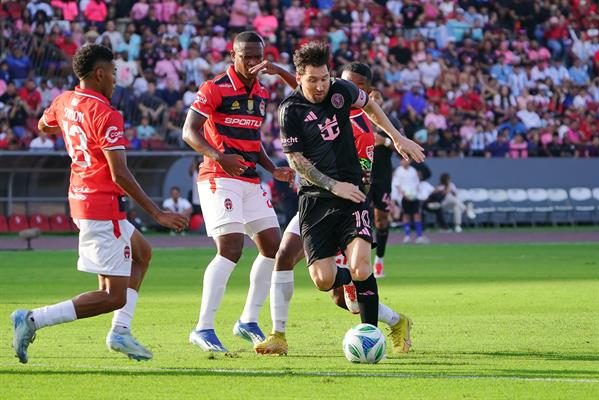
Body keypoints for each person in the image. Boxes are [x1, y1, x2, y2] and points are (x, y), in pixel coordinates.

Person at [10, 45, 188, 364]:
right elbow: (119, 173)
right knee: (112, 295)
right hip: (102, 207)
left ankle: (120, 331)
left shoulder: (64, 101)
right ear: (100, 74)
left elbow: (42, 125)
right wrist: (157, 212)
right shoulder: (106, 113)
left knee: (143, 254)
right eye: (114, 73)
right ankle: (33, 319)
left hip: (82, 199)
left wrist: (69, 126)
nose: (116, 80)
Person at [259, 42, 424, 353]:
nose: (321, 86)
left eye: (324, 78)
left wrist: (396, 137)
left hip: (352, 195)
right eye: (313, 80)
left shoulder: (341, 91)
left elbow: (371, 106)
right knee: (323, 280)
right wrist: (332, 185)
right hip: (316, 199)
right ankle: (387, 312)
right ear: (299, 77)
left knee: (362, 267)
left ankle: (370, 338)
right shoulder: (290, 111)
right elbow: (295, 160)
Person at [182, 31, 295, 352]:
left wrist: (272, 169)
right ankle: (203, 327)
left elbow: (252, 140)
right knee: (231, 247)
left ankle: (247, 320)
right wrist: (218, 156)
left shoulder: (260, 91)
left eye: (257, 56)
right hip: (218, 175)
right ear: (233, 55)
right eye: (246, 56)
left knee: (275, 248)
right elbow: (188, 131)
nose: (252, 62)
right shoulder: (214, 88)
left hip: (248, 180)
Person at [369, 90, 400, 278]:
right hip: (359, 177)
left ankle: (379, 260)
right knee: (355, 219)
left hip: (382, 178)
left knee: (381, 219)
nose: (374, 102)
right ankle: (351, 261)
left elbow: (401, 147)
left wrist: (385, 140)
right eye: (371, 99)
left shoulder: (390, 122)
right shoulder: (354, 117)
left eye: (377, 100)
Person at [393, 158, 429, 244]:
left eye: (406, 160)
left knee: (417, 215)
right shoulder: (398, 171)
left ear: (409, 161)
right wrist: (404, 194)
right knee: (406, 216)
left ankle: (419, 236)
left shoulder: (413, 171)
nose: (405, 162)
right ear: (400, 161)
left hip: (414, 197)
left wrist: (414, 194)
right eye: (403, 160)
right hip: (404, 198)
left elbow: (417, 184)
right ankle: (407, 236)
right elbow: (397, 185)